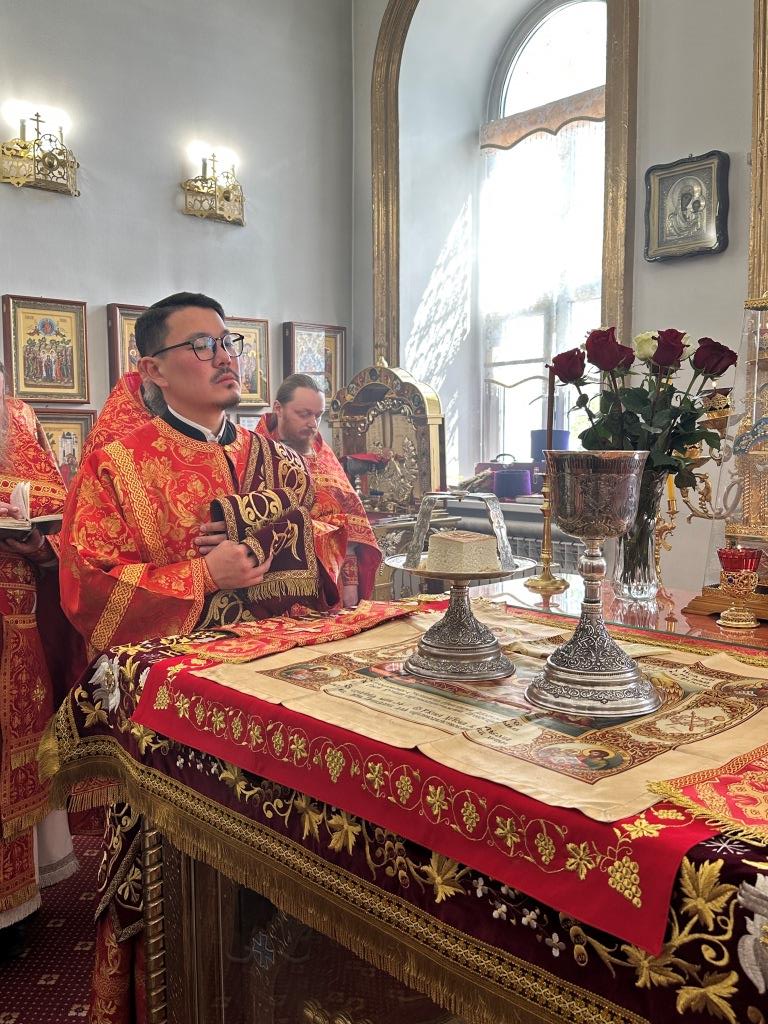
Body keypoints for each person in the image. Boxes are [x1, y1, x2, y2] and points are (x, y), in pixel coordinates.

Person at [60, 293, 343, 656]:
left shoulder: (283, 462)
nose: (225, 357)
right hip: (174, 673)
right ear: (155, 371)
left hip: (280, 662)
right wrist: (204, 575)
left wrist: (258, 534)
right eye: (203, 346)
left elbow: (331, 540)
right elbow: (88, 589)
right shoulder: (112, 469)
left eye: (228, 343)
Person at [0, 367, 79, 960]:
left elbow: (55, 503)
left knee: (12, 743)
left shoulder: (19, 416)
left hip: (13, 607)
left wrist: (41, 545)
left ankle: (10, 906)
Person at [257, 374, 381, 605]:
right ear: (278, 409)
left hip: (332, 586)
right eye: (304, 414)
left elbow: (351, 526)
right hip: (275, 589)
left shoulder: (323, 454)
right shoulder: (255, 452)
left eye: (318, 415)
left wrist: (351, 586)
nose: (313, 424)